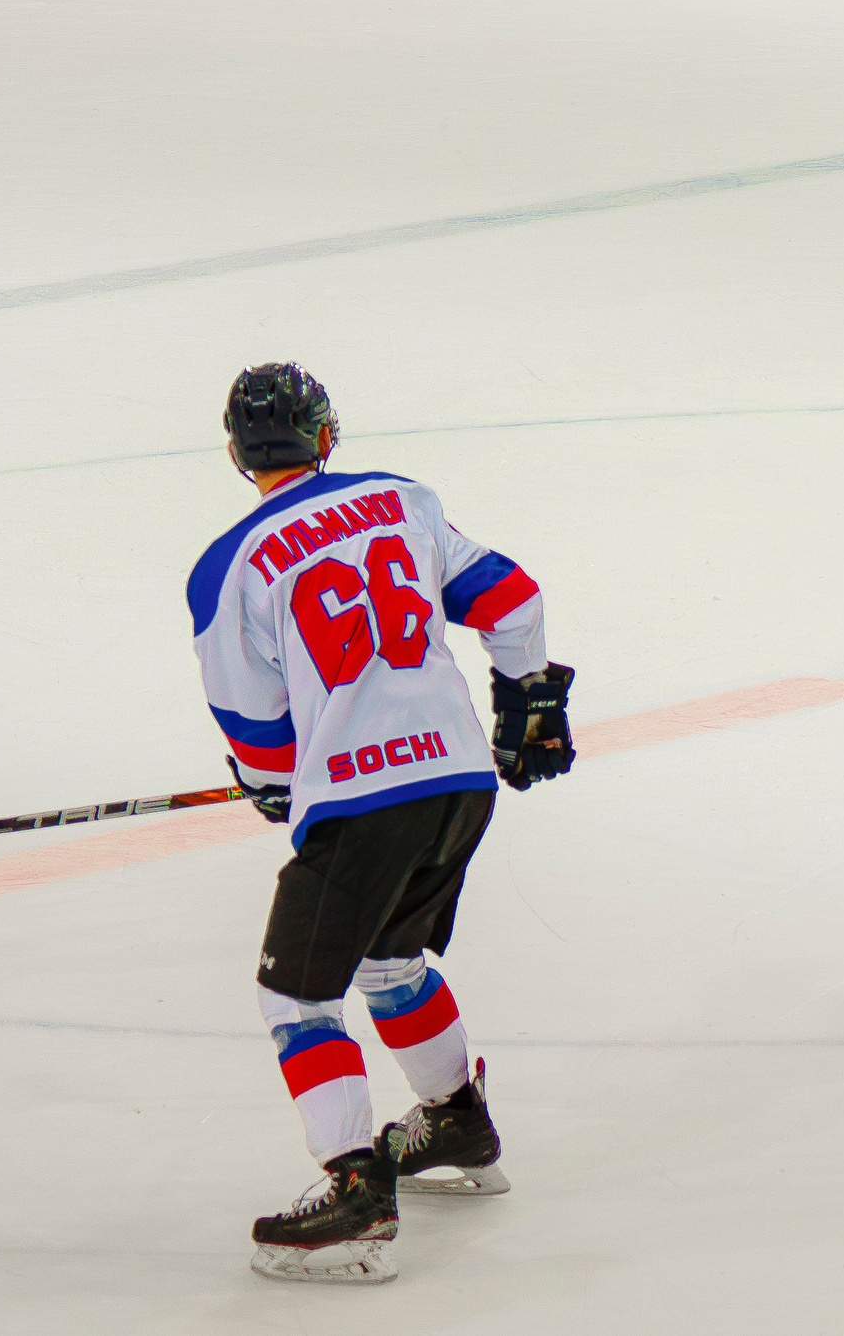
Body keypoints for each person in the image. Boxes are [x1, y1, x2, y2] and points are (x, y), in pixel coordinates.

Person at [189, 363, 578, 1285]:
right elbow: (514, 602)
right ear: (327, 436)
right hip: (457, 782)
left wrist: (277, 786)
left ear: (239, 456)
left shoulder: (228, 566)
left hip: (368, 801)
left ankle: (356, 1193)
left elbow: (254, 725)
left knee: (296, 997)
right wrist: (526, 705)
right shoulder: (402, 500)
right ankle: (455, 1123)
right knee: (391, 961)